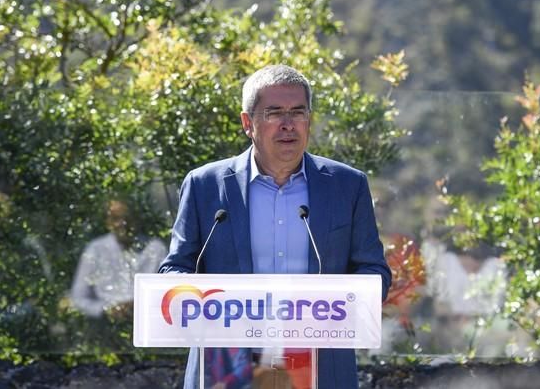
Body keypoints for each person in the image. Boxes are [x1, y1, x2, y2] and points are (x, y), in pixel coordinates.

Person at [159, 64, 392, 388]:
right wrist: (211, 302)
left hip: (321, 368)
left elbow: (374, 272)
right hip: (225, 368)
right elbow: (174, 271)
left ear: (309, 120)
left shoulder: (346, 185)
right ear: (247, 123)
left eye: (298, 112)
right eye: (273, 113)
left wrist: (336, 302)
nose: (288, 125)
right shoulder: (205, 186)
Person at [71, 199, 167, 319]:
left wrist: (139, 305)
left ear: (136, 219)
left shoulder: (155, 249)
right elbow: (79, 297)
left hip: (146, 320)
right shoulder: (96, 250)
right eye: (116, 218)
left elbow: (166, 292)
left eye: (127, 218)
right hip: (106, 327)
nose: (123, 224)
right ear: (108, 222)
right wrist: (105, 310)